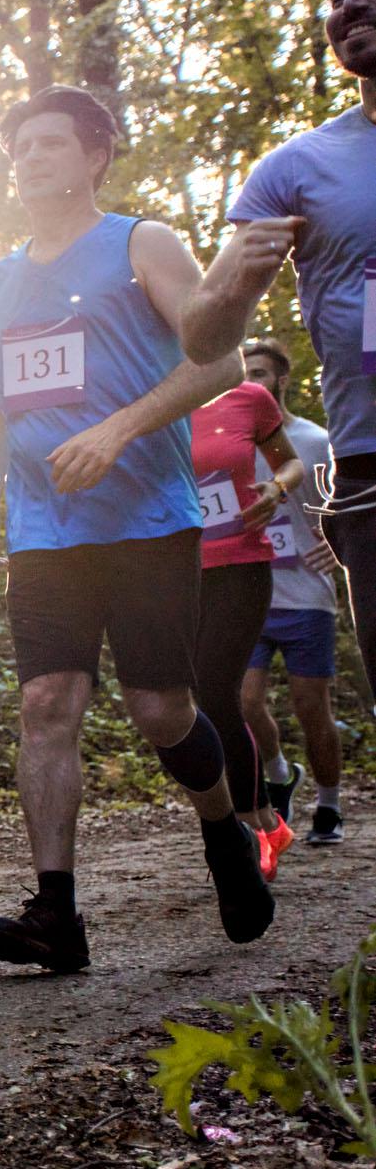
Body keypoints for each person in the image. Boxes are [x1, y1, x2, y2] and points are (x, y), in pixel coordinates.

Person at [0, 84, 269, 975]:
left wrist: (117, 429)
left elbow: (217, 359)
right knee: (44, 705)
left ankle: (224, 833)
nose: (29, 157)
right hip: (45, 531)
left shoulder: (139, 242)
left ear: (95, 157)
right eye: (19, 145)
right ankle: (54, 914)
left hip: (145, 520)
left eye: (50, 143)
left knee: (159, 710)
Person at [183, 0, 376, 707]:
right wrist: (234, 284)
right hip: (368, 468)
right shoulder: (296, 168)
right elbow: (200, 336)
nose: (350, 3)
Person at [187, 372, 304, 878]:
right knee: (197, 702)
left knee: (216, 692)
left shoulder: (249, 397)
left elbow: (291, 462)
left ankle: (249, 827)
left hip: (241, 566)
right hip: (176, 570)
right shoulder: (152, 400)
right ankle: (267, 821)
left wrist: (276, 488)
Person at [238, 338, 348, 846]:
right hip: (253, 591)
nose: (250, 380)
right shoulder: (232, 441)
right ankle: (280, 773)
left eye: (258, 372)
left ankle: (328, 805)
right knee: (244, 700)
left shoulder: (315, 440)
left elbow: (352, 502)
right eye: (243, 372)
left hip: (307, 596)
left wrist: (342, 547)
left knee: (311, 707)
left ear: (281, 379)